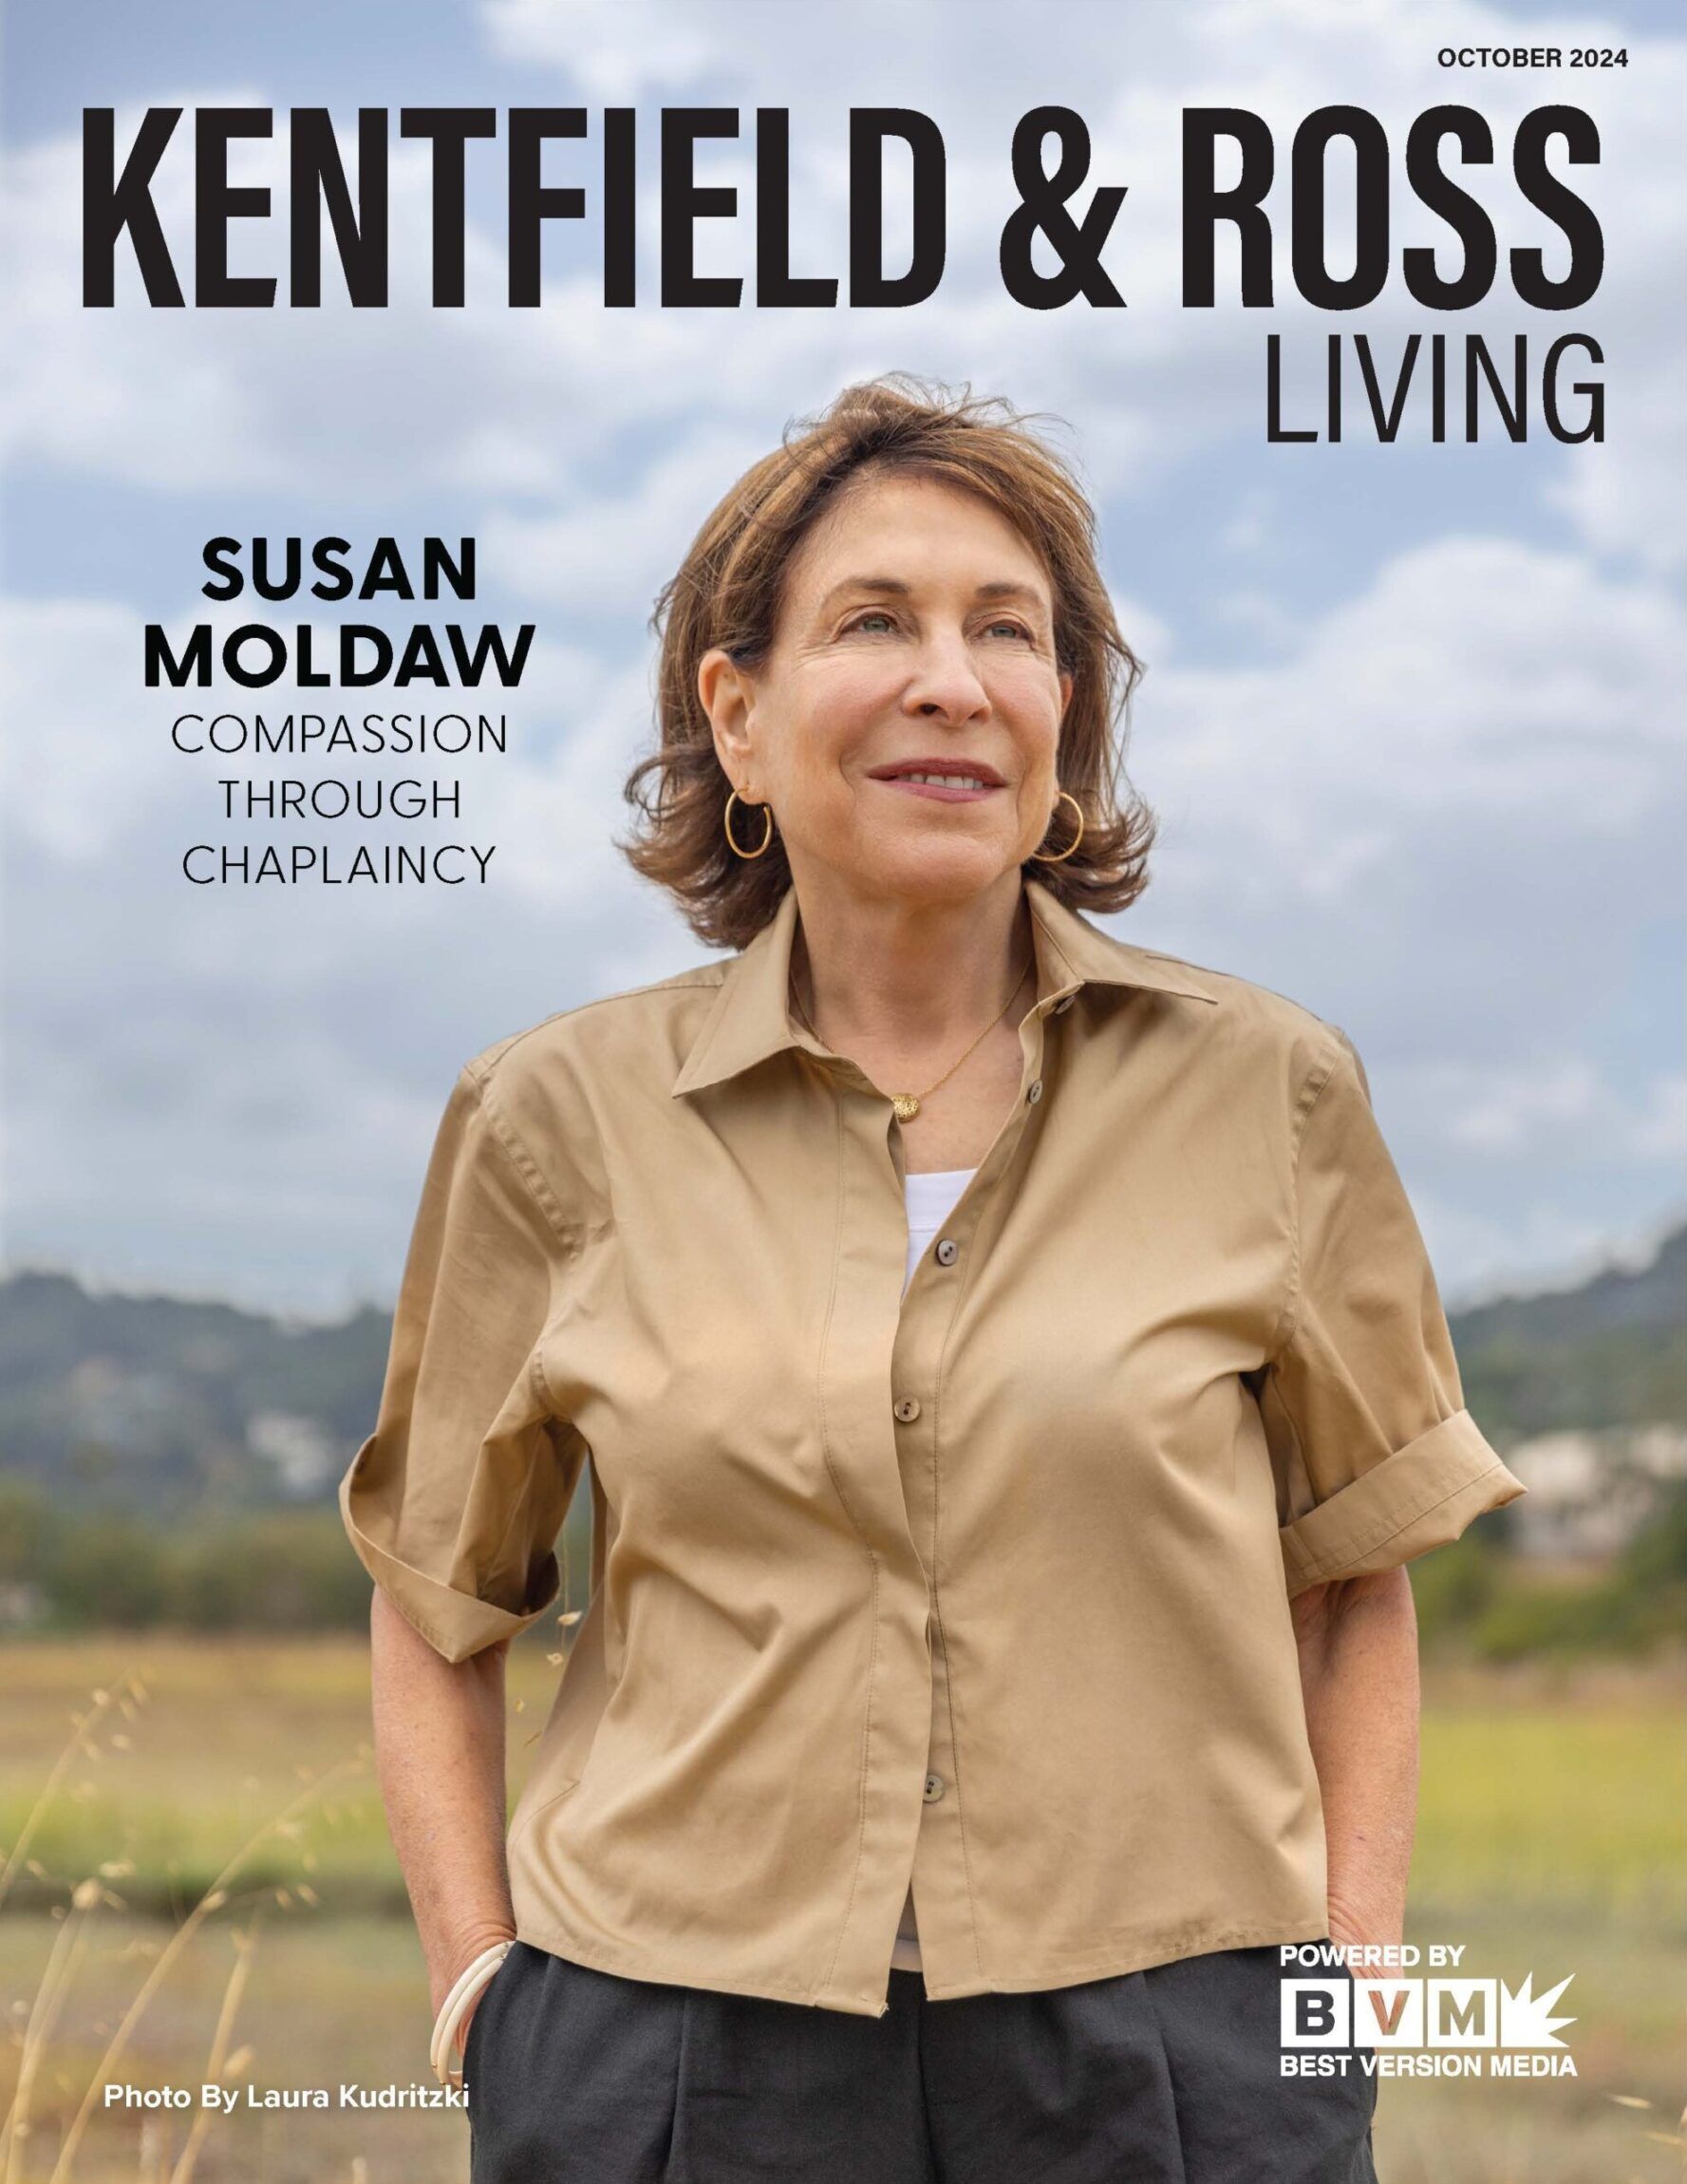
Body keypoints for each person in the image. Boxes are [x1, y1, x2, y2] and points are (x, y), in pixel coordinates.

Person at [340, 375, 1527, 2182]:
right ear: (735, 718)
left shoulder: (1270, 1092)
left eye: (1009, 632)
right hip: (664, 2056)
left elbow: (1351, 1582)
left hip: (1169, 2053)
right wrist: (480, 1999)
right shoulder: (548, 1118)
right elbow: (441, 1603)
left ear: (1065, 717)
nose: (950, 680)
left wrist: (1339, 1996)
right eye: (872, 622)